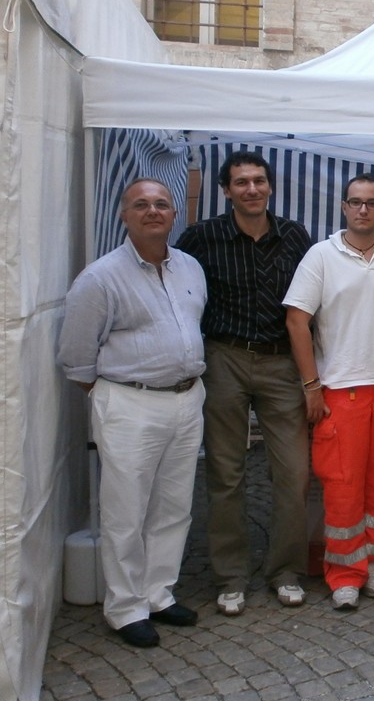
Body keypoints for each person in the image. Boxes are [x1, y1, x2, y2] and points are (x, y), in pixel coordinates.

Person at [58, 178, 207, 648]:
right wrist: (121, 394)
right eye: (141, 205)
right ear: (124, 214)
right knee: (125, 509)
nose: (153, 212)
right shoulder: (100, 278)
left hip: (186, 399)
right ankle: (125, 607)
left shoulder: (189, 267)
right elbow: (76, 357)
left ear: (174, 214)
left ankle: (158, 593)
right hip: (130, 402)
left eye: (161, 204)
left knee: (174, 505)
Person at [176, 151, 312, 616]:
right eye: (241, 182)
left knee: (293, 473)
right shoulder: (201, 237)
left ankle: (285, 570)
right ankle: (230, 576)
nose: (251, 189)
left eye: (258, 180)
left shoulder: (294, 235)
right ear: (226, 189)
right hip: (224, 357)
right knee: (226, 472)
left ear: (270, 186)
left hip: (280, 363)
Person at [284, 174, 374, 610]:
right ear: (343, 207)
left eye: (371, 203)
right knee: (342, 484)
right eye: (355, 202)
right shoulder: (321, 256)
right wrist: (311, 385)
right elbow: (297, 321)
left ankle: (369, 562)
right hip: (342, 388)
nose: (363, 210)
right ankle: (342, 574)